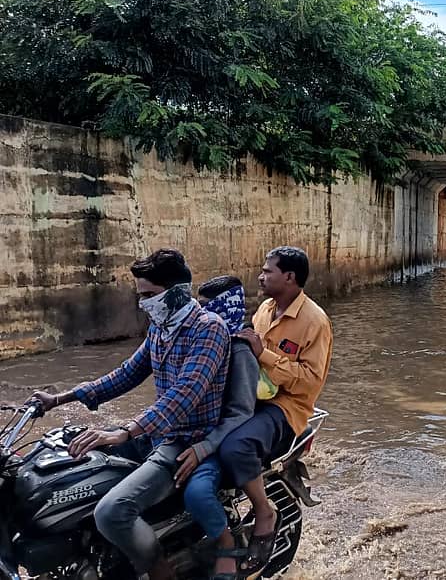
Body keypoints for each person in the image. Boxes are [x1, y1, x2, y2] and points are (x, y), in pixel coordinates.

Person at [30, 249, 230, 580]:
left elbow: (185, 395)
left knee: (111, 512)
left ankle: (160, 573)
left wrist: (125, 431)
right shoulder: (161, 328)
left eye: (149, 295)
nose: (143, 304)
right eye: (140, 296)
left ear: (177, 292)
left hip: (184, 441)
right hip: (152, 433)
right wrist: (58, 399)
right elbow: (125, 374)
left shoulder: (208, 329)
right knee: (67, 462)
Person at [220, 246, 333, 577]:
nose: (261, 275)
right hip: (252, 397)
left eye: (268, 270)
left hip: (287, 407)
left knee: (236, 446)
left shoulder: (315, 321)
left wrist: (263, 354)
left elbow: (310, 383)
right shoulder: (265, 310)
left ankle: (264, 515)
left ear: (289, 277)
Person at [174, 275, 258, 580]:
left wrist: (204, 447)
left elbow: (240, 413)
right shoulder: (195, 343)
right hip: (185, 433)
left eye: (211, 307)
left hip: (217, 441)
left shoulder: (240, 351)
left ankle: (227, 544)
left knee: (197, 494)